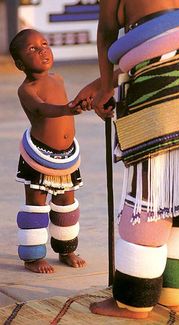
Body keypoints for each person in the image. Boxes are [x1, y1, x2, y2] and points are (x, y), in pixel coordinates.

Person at [73, 0, 179, 319]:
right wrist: (104, 84)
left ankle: (135, 302)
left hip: (161, 85)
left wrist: (107, 87)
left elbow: (109, 32)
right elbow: (163, 30)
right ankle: (176, 294)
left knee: (151, 192)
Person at [9, 29, 89, 274]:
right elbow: (43, 110)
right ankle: (33, 256)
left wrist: (79, 103)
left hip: (66, 158)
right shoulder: (26, 89)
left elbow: (64, 108)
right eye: (32, 48)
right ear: (20, 63)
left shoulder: (58, 78)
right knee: (36, 205)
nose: (42, 49)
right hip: (38, 157)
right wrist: (67, 108)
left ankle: (66, 249)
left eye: (44, 43)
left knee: (66, 205)